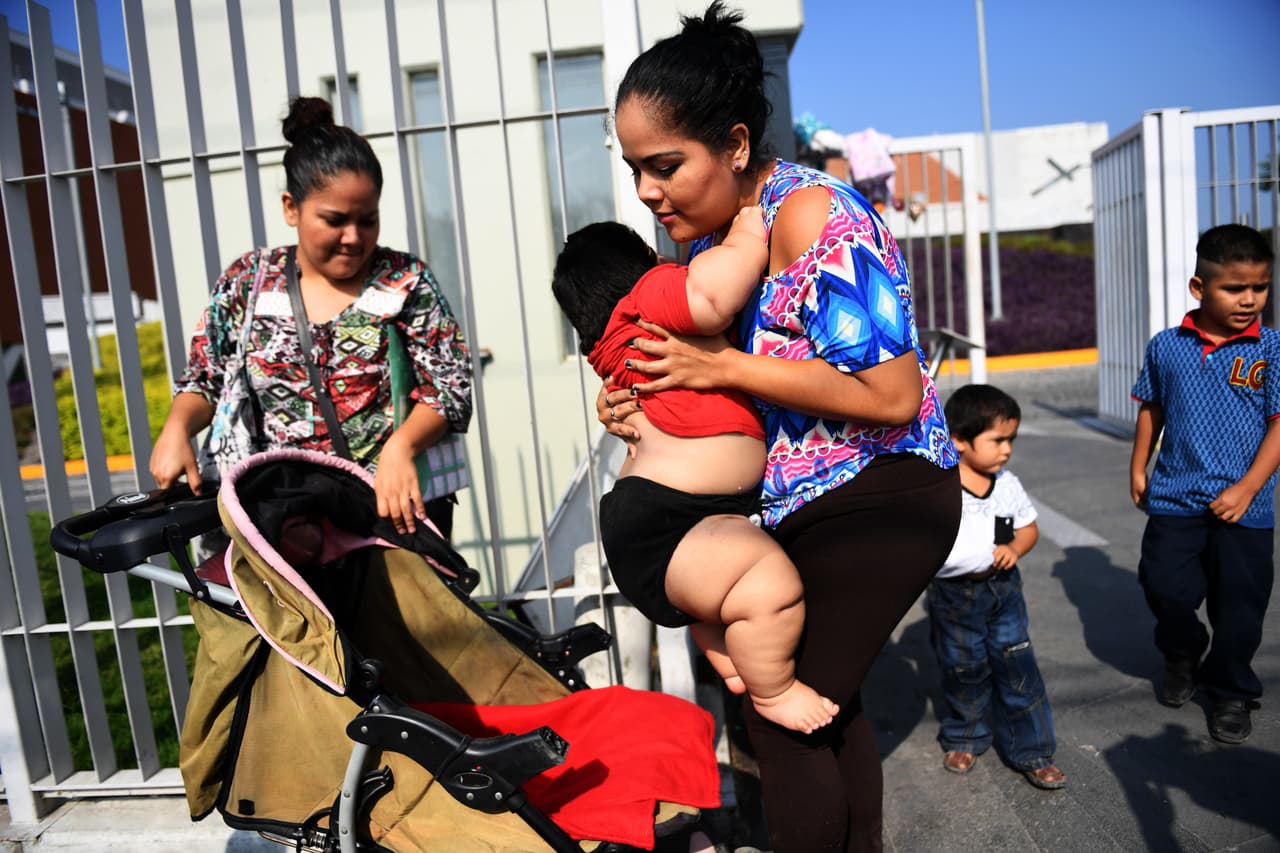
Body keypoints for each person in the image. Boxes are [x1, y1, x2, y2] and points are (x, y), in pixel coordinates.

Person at [600, 4, 961, 850]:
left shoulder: (809, 214)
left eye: (665, 165)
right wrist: (637, 407)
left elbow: (890, 392)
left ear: (732, 145)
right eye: (635, 171)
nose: (649, 192)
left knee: (782, 716)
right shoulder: (714, 241)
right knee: (827, 711)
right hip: (805, 503)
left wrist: (719, 366)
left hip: (883, 493)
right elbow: (714, 392)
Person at [553, 210, 839, 735]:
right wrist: (750, 233)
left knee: (725, 591)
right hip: (670, 518)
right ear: (643, 267)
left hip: (669, 517)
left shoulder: (611, 340)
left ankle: (727, 655)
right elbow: (713, 297)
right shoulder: (648, 296)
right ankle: (773, 691)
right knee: (770, 586)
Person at [150, 96, 472, 539]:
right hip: (276, 519)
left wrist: (403, 445)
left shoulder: (404, 280)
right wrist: (177, 427)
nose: (353, 238)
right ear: (291, 208)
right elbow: (204, 378)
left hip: (387, 516)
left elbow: (450, 388)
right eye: (335, 220)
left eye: (368, 220)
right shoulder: (248, 282)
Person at [1129, 223, 1277, 745]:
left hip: (1246, 505)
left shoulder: (1272, 349)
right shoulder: (1166, 346)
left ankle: (1232, 690)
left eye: (1259, 288)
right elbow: (1153, 406)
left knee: (1240, 604)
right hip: (1174, 494)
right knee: (1164, 584)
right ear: (1199, 288)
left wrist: (1247, 489)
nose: (1249, 300)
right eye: (1234, 289)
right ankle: (1183, 651)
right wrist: (1137, 465)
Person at [928, 384, 1065, 790]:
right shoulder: (941, 484)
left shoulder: (1007, 484)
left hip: (1003, 591)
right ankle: (965, 736)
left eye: (1011, 440)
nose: (1006, 449)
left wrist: (1014, 548)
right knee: (963, 669)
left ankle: (1034, 751)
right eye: (997, 440)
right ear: (960, 441)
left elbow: (1025, 528)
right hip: (953, 596)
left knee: (1017, 668)